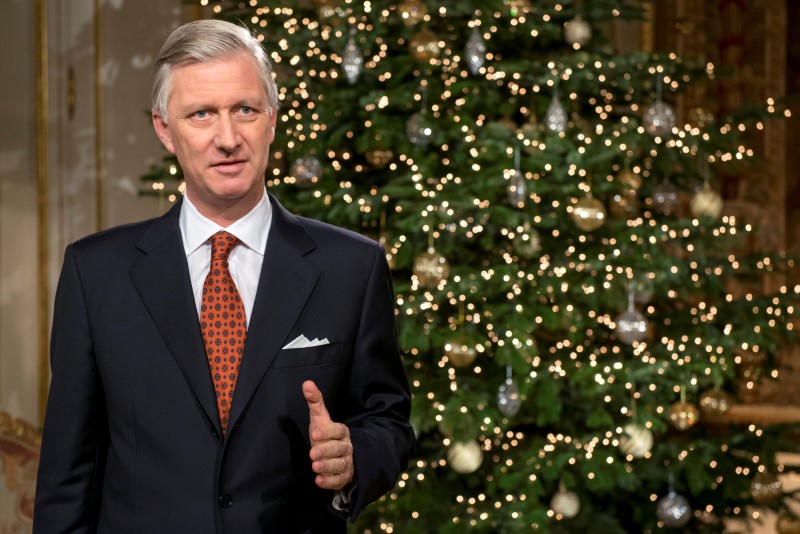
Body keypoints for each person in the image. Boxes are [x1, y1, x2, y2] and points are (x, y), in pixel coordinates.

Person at [33, 19, 414, 533]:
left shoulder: (351, 265)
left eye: (245, 110)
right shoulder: (95, 272)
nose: (228, 138)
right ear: (165, 129)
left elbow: (386, 417)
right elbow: (68, 474)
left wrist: (353, 460)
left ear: (272, 120)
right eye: (201, 114)